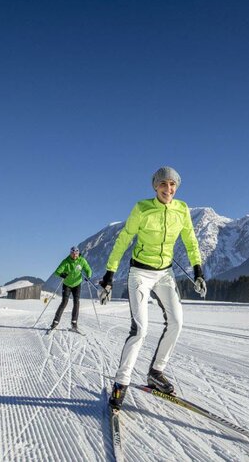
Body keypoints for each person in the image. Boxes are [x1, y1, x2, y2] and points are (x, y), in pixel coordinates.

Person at [99, 166, 206, 410]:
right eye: (163, 185)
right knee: (140, 329)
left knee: (177, 322)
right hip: (139, 273)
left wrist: (198, 270)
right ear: (155, 187)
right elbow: (124, 238)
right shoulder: (142, 208)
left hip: (165, 274)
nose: (168, 189)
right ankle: (121, 383)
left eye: (172, 185)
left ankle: (156, 371)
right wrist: (109, 274)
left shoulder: (182, 209)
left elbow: (190, 239)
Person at [50, 246, 92, 331]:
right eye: (73, 254)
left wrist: (88, 276)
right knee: (64, 302)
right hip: (67, 284)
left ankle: (74, 323)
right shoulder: (66, 261)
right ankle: (55, 322)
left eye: (76, 254)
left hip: (77, 284)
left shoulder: (82, 260)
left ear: (78, 253)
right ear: (70, 253)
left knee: (76, 302)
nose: (74, 255)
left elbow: (88, 269)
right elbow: (57, 272)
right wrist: (62, 274)